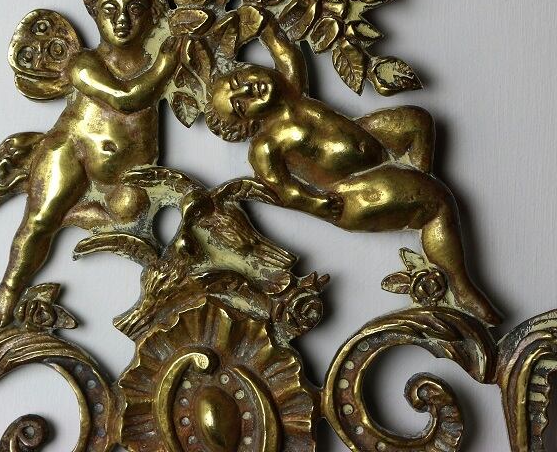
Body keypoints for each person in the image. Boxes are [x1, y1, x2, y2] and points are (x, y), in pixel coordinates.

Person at [204, 24, 501, 325]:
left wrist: (263, 25)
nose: (247, 90)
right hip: (350, 193)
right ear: (248, 124)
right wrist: (316, 204)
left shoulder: (292, 88)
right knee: (438, 204)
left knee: (417, 121)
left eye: (238, 80)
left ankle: (414, 189)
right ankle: (460, 285)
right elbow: (283, 189)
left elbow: (285, 50)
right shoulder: (266, 146)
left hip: (374, 144)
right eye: (240, 105)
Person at [0, 0, 185, 329]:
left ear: (153, 13)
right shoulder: (84, 63)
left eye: (135, 8)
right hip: (71, 150)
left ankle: (66, 212)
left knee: (129, 216)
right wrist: (167, 63)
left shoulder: (157, 55)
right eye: (109, 9)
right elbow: (126, 98)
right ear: (94, 15)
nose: (122, 20)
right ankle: (8, 289)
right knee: (39, 221)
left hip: (123, 175)